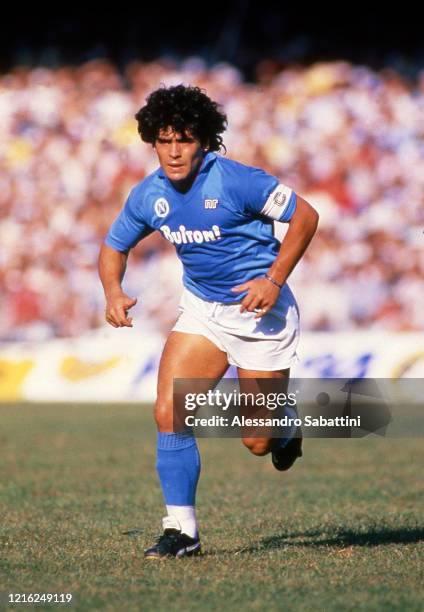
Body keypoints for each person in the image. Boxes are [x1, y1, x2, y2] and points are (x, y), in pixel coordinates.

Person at [98, 84, 319, 559]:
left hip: (260, 315)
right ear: (152, 142)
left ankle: (285, 428)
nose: (175, 151)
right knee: (168, 411)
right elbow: (114, 246)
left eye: (185, 139)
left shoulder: (237, 180)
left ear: (204, 141)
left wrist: (274, 280)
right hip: (202, 312)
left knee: (257, 442)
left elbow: (306, 215)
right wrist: (113, 291)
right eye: (165, 140)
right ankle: (183, 532)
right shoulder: (148, 194)